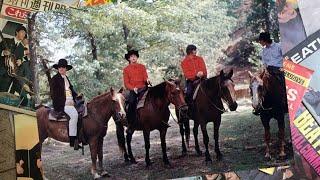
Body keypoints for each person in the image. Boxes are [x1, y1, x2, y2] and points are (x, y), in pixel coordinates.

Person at [50, 59, 80, 150]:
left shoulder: (66, 78)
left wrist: (77, 96)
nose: (61, 69)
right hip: (62, 103)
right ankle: (72, 140)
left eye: (63, 67)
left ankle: (81, 136)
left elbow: (71, 90)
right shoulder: (55, 79)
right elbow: (53, 94)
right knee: (74, 115)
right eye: (60, 67)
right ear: (58, 69)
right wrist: (64, 103)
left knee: (83, 111)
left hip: (71, 101)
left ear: (66, 69)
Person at [258, 32, 288, 113]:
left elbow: (286, 57)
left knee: (284, 84)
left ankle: (285, 103)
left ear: (264, 40)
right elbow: (264, 64)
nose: (260, 42)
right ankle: (260, 105)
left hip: (279, 70)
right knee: (259, 84)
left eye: (260, 41)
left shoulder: (279, 46)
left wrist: (283, 68)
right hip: (268, 71)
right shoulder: (263, 51)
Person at [123, 50, 149, 132]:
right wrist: (133, 88)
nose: (133, 57)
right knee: (131, 103)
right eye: (131, 56)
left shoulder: (142, 67)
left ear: (137, 57)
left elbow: (145, 77)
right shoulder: (126, 69)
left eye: (135, 56)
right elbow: (126, 83)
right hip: (134, 90)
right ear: (129, 59)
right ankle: (130, 124)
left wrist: (147, 80)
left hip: (144, 88)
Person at [180, 45, 207, 115]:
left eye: (195, 50)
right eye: (195, 50)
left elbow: (204, 69)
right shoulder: (184, 62)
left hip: (203, 79)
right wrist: (195, 75)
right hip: (192, 81)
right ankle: (189, 111)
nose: (196, 51)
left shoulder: (200, 59)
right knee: (188, 93)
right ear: (191, 51)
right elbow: (187, 74)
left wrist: (203, 73)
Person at [0, 25, 28, 92]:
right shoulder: (6, 40)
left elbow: (20, 60)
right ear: (17, 32)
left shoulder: (22, 48)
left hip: (9, 76)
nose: (23, 35)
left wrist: (20, 61)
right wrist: (3, 52)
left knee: (2, 95)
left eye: (24, 34)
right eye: (22, 32)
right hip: (1, 70)